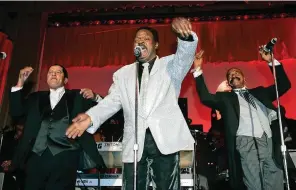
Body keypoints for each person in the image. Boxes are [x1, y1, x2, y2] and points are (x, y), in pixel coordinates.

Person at [66, 17, 198, 189]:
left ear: (156, 45)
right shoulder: (123, 74)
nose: (141, 41)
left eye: (146, 38)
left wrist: (184, 36)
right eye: (137, 39)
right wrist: (90, 117)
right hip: (135, 140)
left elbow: (185, 55)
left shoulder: (170, 66)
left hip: (164, 140)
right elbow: (111, 102)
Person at [193, 47, 291, 190]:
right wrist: (197, 69)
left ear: (244, 78)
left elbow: (284, 85)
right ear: (229, 83)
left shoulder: (260, 92)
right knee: (253, 182)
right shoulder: (225, 98)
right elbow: (205, 97)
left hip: (268, 140)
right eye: (230, 75)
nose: (233, 74)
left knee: (274, 177)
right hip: (245, 142)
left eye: (237, 72)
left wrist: (271, 61)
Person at [9, 65, 105, 190]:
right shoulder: (35, 97)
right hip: (36, 157)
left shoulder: (78, 96)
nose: (53, 74)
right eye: (50, 72)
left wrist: (95, 97)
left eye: (58, 72)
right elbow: (16, 112)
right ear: (47, 78)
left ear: (65, 80)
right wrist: (20, 82)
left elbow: (106, 110)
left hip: (66, 157)